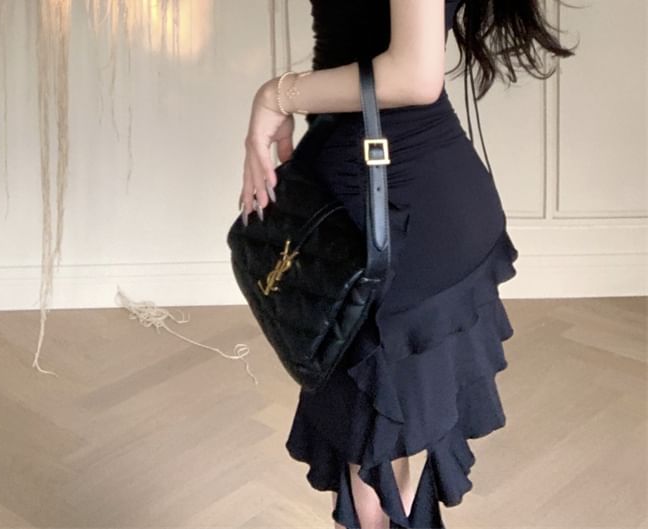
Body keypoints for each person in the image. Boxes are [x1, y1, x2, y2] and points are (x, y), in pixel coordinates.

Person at [237, 1, 577, 528]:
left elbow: (414, 77)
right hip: (391, 208)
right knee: (377, 447)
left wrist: (274, 95)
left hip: (391, 224)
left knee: (372, 450)